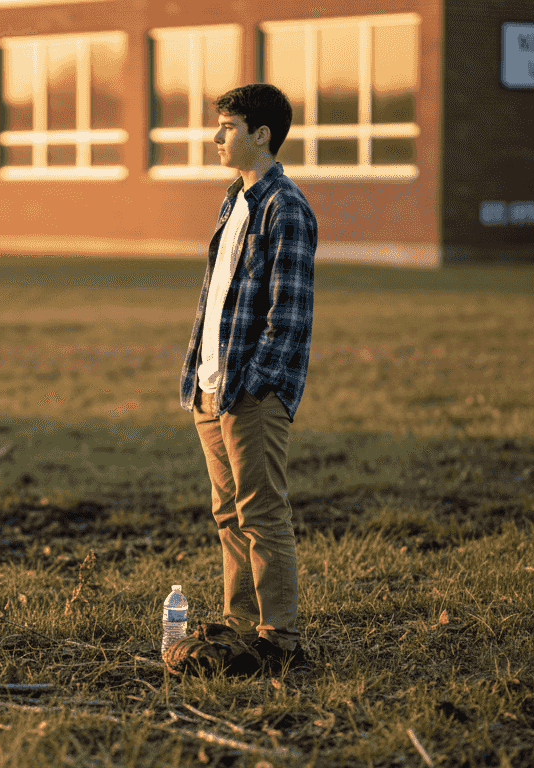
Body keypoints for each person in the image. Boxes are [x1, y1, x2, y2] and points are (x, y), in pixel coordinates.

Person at [179, 82, 317, 672]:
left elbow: (288, 314)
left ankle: (279, 637)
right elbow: (218, 299)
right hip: (211, 384)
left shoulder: (285, 207)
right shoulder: (233, 200)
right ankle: (240, 623)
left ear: (261, 135)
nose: (217, 137)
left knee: (262, 512)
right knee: (228, 512)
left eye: (228, 127)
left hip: (251, 392)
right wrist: (200, 378)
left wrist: (255, 384)